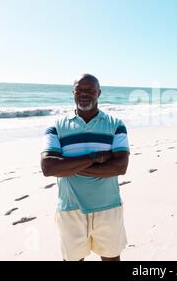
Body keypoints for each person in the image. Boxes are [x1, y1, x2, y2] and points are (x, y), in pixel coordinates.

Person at [40, 74, 130, 261]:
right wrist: (94, 158)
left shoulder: (116, 125)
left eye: (90, 90)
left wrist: (67, 166)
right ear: (73, 92)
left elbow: (120, 167)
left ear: (99, 93)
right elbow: (48, 167)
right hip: (70, 209)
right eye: (79, 89)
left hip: (108, 207)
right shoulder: (55, 126)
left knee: (111, 258)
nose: (84, 94)